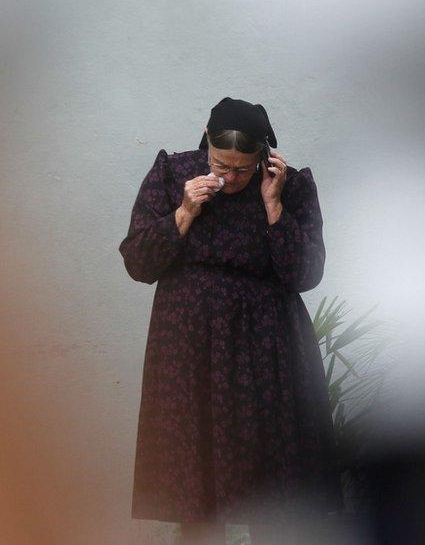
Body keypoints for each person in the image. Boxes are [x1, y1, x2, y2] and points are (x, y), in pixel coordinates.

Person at [119, 97, 343, 544]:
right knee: (196, 490)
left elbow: (306, 274)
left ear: (264, 154)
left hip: (269, 346)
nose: (230, 177)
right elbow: (139, 263)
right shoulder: (171, 175)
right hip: (190, 344)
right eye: (221, 164)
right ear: (205, 138)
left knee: (273, 490)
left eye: (243, 168)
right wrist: (184, 212)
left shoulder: (289, 186)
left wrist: (274, 206)